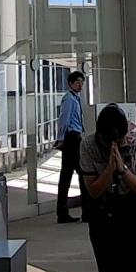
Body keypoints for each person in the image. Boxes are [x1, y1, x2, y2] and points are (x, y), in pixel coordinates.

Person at [79, 104, 136, 272]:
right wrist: (109, 169)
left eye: (120, 141)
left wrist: (123, 169)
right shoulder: (88, 146)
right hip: (103, 215)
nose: (115, 146)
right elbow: (93, 191)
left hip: (134, 215)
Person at [55, 70, 86, 223]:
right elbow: (64, 119)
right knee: (79, 173)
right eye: (77, 82)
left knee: (69, 174)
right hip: (71, 138)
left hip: (75, 137)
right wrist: (61, 139)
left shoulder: (75, 98)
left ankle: (63, 211)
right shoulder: (69, 99)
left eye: (82, 82)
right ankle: (83, 210)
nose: (80, 85)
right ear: (70, 84)